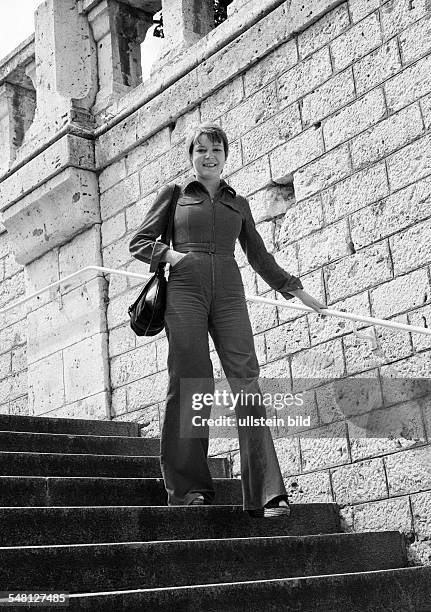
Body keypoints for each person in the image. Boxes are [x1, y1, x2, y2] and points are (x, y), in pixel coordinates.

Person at [129, 123, 327, 517]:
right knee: (191, 379)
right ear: (191, 156)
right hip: (184, 291)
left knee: (246, 382)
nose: (208, 156)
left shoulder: (238, 202)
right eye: (200, 150)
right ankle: (188, 489)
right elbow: (139, 242)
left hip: (230, 296)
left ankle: (266, 493)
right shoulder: (176, 194)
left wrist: (296, 290)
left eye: (215, 149)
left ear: (225, 154)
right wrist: (171, 257)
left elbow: (258, 255)